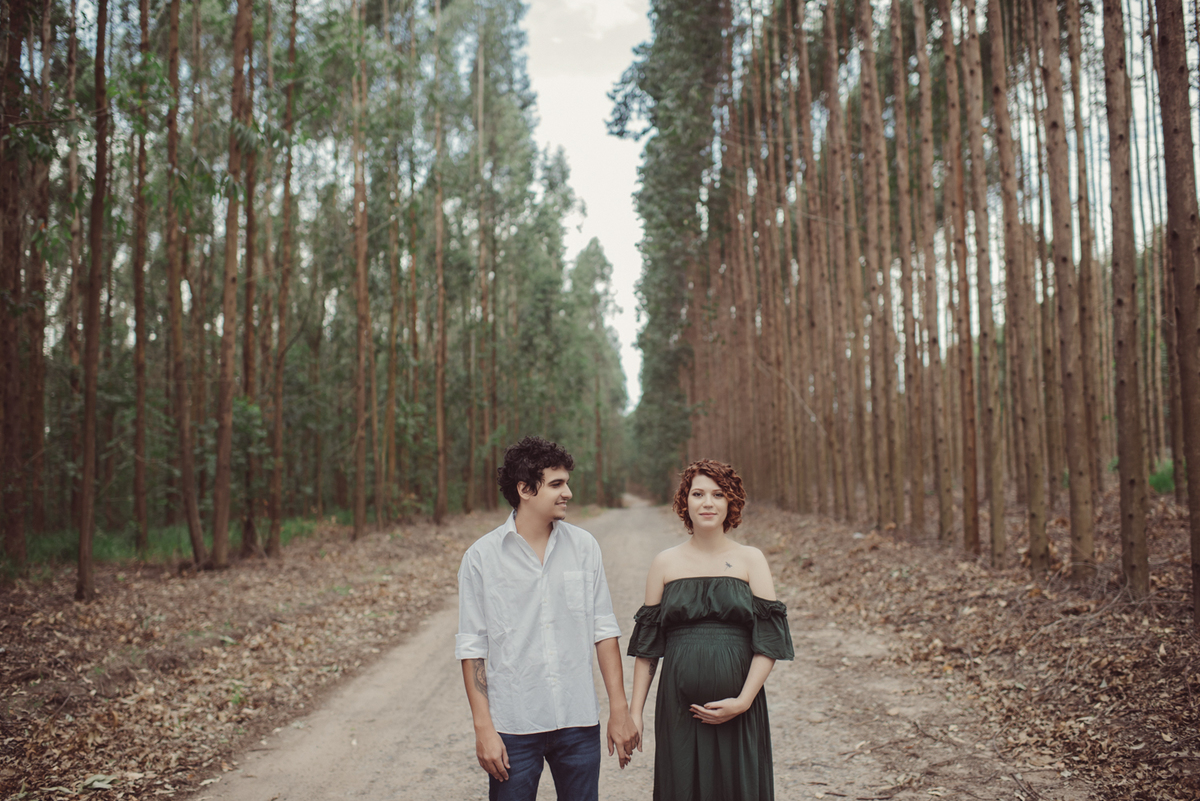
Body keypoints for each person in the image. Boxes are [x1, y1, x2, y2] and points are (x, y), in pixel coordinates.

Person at [456, 435, 639, 801]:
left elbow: (603, 631)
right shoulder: (481, 559)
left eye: (566, 482)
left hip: (578, 722)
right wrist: (483, 728)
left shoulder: (584, 547)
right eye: (556, 484)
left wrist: (619, 709)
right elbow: (472, 647)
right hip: (513, 725)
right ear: (525, 489)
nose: (567, 492)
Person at [628, 459, 794, 801]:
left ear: (730, 502)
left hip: (739, 708)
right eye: (698, 493)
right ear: (684, 502)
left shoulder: (751, 560)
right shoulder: (664, 563)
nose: (707, 502)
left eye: (718, 494)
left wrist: (743, 701)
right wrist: (635, 714)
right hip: (678, 708)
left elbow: (768, 641)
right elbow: (647, 649)